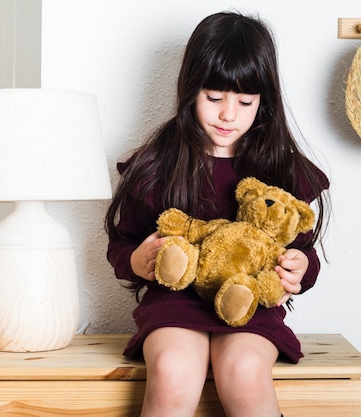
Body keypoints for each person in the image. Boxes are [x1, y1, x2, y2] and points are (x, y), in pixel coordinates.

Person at [105, 11, 330, 417]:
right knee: (174, 370)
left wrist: (300, 269)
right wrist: (136, 261)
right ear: (190, 90)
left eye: (245, 102)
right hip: (174, 305)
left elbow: (304, 251)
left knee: (245, 370)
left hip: (250, 303)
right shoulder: (158, 163)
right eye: (214, 98)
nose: (229, 114)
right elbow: (122, 245)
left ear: (264, 102)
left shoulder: (281, 167)